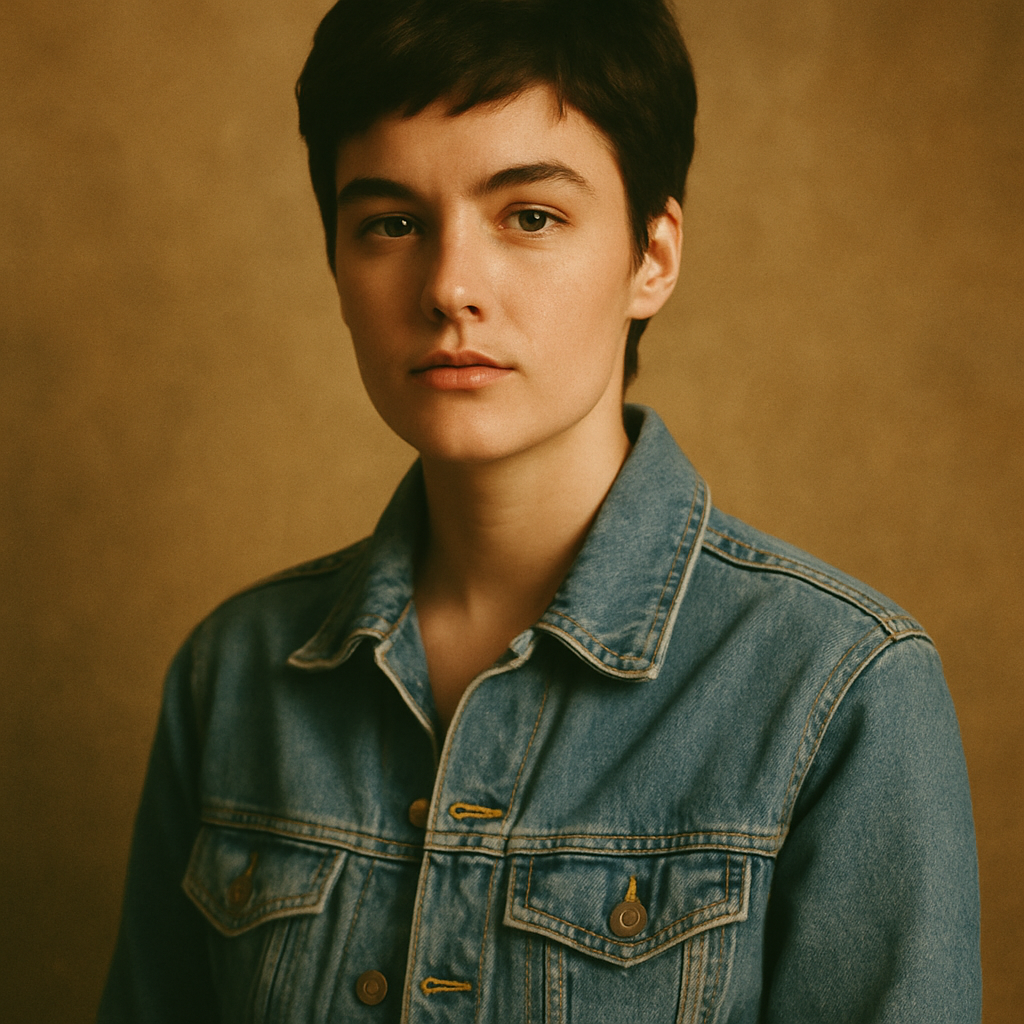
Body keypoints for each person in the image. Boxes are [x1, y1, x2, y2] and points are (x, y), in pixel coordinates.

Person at [98, 1, 981, 1020]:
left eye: (530, 216)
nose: (449, 286)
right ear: (335, 264)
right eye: (390, 223)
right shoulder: (233, 670)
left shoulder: (839, 690)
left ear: (652, 254)